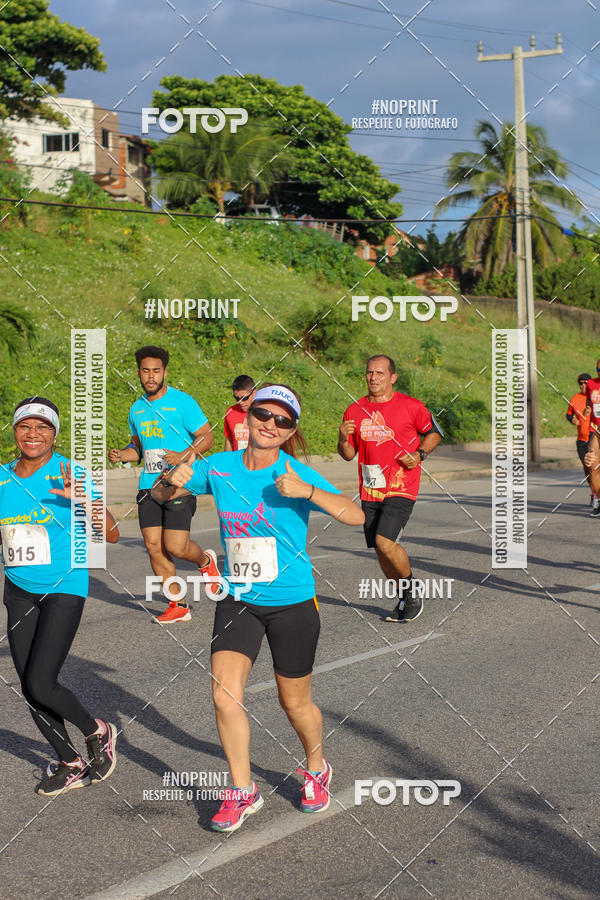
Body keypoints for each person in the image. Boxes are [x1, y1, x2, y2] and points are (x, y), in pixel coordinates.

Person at [152, 384, 364, 833]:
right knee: (223, 695)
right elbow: (163, 496)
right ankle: (242, 791)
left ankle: (316, 767)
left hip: (292, 602)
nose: (270, 425)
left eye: (282, 421)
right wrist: (173, 482)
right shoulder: (222, 466)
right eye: (263, 415)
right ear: (247, 417)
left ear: (291, 431)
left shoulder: (295, 472)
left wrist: (308, 491)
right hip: (238, 598)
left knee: (294, 702)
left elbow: (355, 514)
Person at [1, 397, 120, 796]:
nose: (32, 435)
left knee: (41, 680)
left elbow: (112, 533)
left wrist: (84, 500)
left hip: (63, 588)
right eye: (24, 427)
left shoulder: (72, 472)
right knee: (28, 685)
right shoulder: (2, 477)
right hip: (18, 591)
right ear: (14, 431)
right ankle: (69, 762)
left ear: (54, 433)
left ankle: (96, 730)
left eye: (42, 427)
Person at [108, 345, 219, 623]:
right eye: (146, 371)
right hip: (148, 485)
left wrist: (184, 454)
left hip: (178, 484)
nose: (151, 376)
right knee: (154, 546)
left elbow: (207, 437)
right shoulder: (136, 409)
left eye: (156, 371)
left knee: (177, 546)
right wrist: (123, 454)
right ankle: (177, 604)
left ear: (164, 372)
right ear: (139, 373)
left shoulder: (183, 402)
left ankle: (205, 562)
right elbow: (138, 448)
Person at [338, 355, 442, 623]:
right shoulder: (354, 410)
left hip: (400, 485)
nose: (373, 377)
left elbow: (434, 432)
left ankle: (412, 590)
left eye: (380, 373)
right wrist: (342, 437)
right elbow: (348, 454)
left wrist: (419, 454)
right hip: (370, 488)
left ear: (393, 377)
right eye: (370, 372)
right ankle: (405, 597)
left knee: (386, 542)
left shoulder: (411, 406)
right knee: (380, 550)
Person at [566, 373, 597, 510]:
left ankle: (596, 495)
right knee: (587, 470)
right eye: (580, 383)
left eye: (585, 383)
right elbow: (568, 414)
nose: (583, 385)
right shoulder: (575, 399)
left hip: (593, 436)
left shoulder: (595, 397)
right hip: (581, 439)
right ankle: (594, 493)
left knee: (594, 468)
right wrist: (572, 419)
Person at [224, 375, 256, 451]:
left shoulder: (263, 412)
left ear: (254, 393)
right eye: (237, 398)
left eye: (244, 398)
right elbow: (228, 441)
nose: (240, 402)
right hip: (237, 461)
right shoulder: (230, 412)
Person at [585, 358, 600, 516]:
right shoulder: (591, 384)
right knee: (593, 466)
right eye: (598, 370)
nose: (599, 373)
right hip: (596, 430)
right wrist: (587, 409)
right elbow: (589, 402)